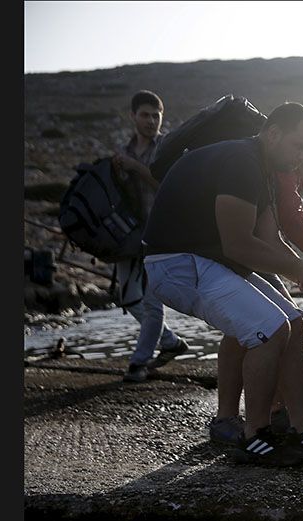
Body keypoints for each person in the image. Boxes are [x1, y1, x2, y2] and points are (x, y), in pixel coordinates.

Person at [142, 102, 303, 465]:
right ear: (272, 134)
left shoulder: (265, 167)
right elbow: (238, 244)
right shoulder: (243, 162)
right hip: (175, 264)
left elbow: (269, 240)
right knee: (268, 329)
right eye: (299, 147)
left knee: (292, 320)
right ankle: (254, 434)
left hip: (204, 260)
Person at [208, 112, 303, 444]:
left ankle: (262, 413)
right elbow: (292, 223)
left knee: (252, 329)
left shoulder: (289, 176)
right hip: (232, 251)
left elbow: (288, 223)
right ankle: (249, 419)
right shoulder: (282, 171)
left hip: (239, 252)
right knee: (279, 324)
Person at [112, 90, 189, 383]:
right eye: (145, 114)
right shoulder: (123, 150)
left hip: (161, 236)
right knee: (129, 298)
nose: (151, 120)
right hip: (127, 238)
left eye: (156, 115)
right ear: (133, 116)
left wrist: (135, 169)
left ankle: (137, 363)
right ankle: (170, 342)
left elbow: (167, 185)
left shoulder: (167, 148)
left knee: (153, 303)